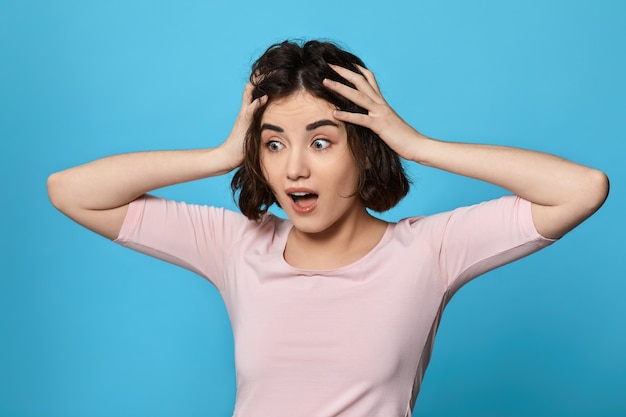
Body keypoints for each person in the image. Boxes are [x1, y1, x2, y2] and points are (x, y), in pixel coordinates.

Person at [47, 40, 609, 417]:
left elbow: (581, 188)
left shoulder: (429, 251)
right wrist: (221, 155)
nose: (294, 167)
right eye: (272, 144)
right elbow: (70, 191)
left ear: (364, 153)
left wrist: (416, 145)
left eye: (321, 142)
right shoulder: (235, 245)